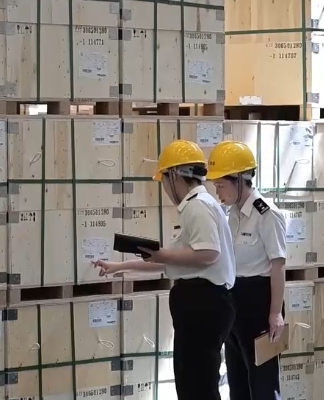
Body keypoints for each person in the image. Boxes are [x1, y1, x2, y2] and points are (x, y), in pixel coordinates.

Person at [93, 139, 236, 400]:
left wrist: (162, 254)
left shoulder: (197, 206)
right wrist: (119, 267)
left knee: (198, 386)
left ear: (174, 176)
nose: (166, 189)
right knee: (191, 382)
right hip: (202, 303)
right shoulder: (199, 205)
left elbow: (209, 254)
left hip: (203, 304)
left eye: (164, 181)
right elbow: (174, 260)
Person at [206, 141, 288, 400]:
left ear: (240, 179)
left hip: (260, 301)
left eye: (221, 185)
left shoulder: (267, 214)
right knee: (237, 381)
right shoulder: (231, 214)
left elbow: (278, 265)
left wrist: (275, 313)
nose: (217, 192)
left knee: (262, 383)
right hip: (235, 300)